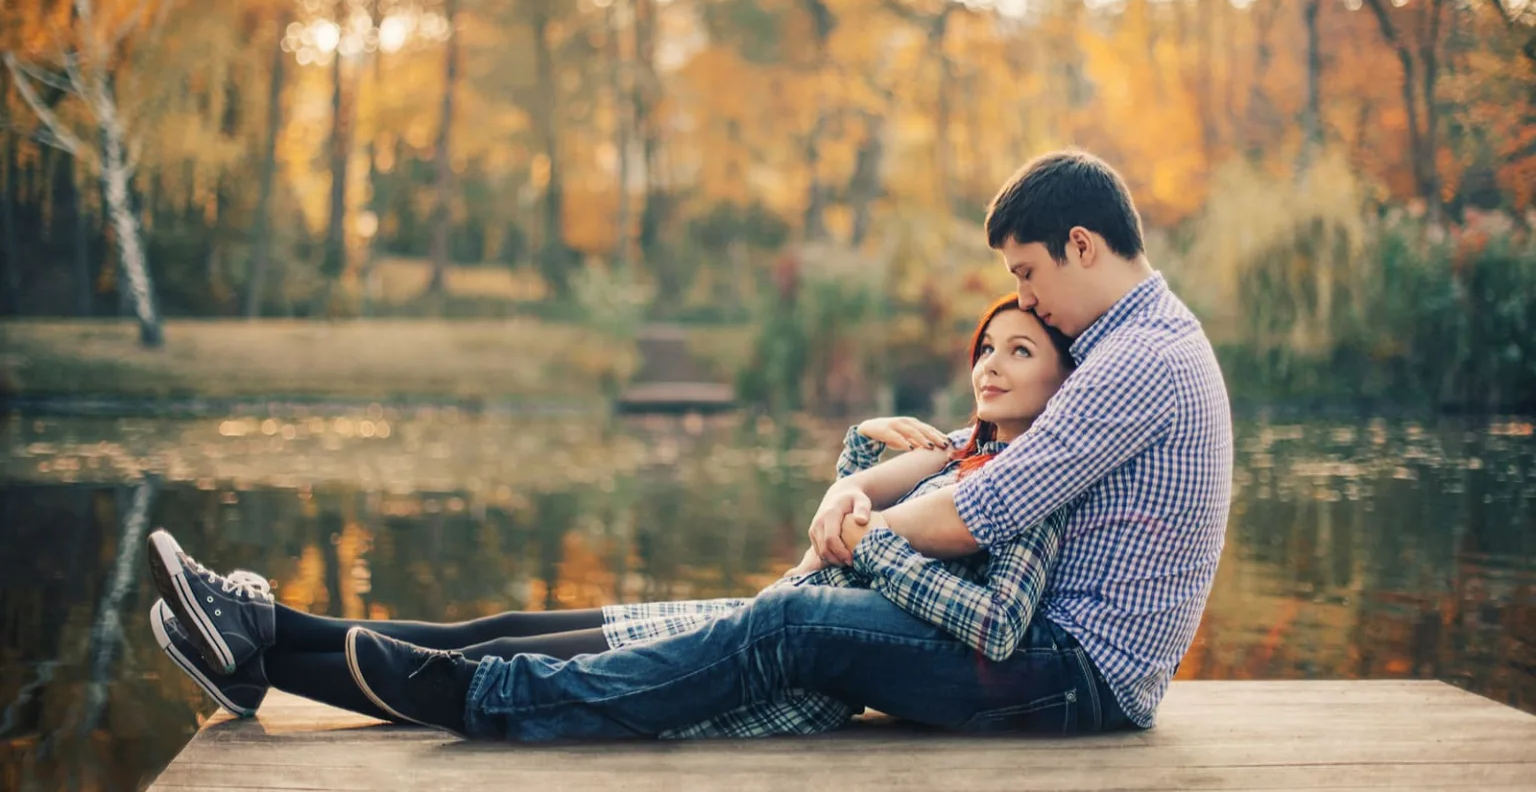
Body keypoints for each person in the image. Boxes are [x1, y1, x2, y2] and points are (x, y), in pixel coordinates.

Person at [155, 149, 1232, 740]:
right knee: (688, 614)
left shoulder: (1139, 360)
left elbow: (976, 509)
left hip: (1068, 674)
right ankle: (265, 632)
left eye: (1030, 274)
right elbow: (971, 454)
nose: (1023, 297)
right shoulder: (1116, 349)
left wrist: (852, 526)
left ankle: (486, 698)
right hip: (1029, 651)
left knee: (795, 615)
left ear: (1081, 244)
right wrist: (861, 486)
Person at [148, 296, 1082, 736]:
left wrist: (876, 543)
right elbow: (830, 543)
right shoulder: (959, 450)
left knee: (495, 661)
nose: (991, 364)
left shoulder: (1034, 479)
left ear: (1063, 379)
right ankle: (262, 637)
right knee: (510, 625)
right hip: (759, 613)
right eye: (986, 346)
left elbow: (991, 619)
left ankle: (261, 648)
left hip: (787, 670)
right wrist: (857, 460)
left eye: (1021, 351)